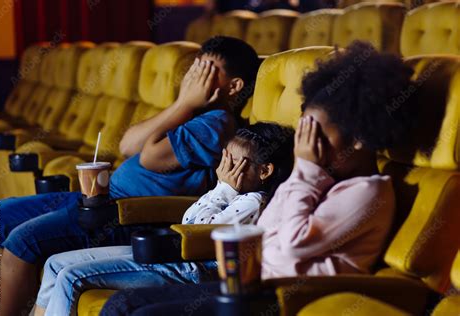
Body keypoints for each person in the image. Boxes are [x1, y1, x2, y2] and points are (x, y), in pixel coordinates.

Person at [101, 41, 419, 315]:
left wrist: (306, 172)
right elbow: (267, 229)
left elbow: (294, 245)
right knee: (124, 304)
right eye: (302, 130)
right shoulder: (320, 180)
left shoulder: (367, 192)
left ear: (361, 138)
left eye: (316, 133)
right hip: (250, 288)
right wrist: (305, 174)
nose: (304, 144)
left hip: (281, 300)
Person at [0, 36, 260, 316]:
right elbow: (127, 145)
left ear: (234, 86)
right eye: (195, 66)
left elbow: (150, 158)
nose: (193, 76)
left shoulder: (216, 122)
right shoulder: (190, 113)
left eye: (206, 69)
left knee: (23, 240)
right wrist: (182, 104)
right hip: (102, 197)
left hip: (130, 213)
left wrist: (184, 103)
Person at [33, 123, 295, 316]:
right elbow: (188, 218)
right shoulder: (234, 193)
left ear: (264, 171)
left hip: (193, 269)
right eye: (224, 158)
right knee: (55, 264)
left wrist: (223, 188)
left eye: (234, 162)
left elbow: (195, 229)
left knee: (71, 277)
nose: (223, 169)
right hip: (174, 254)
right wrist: (222, 189)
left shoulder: (254, 202)